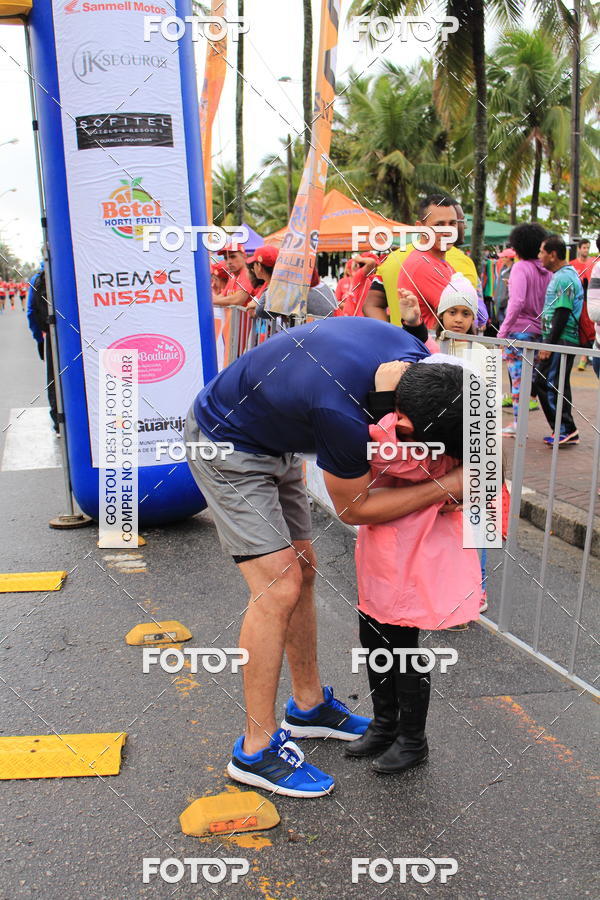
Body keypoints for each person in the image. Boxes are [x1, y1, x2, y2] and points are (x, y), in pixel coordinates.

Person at [184, 317, 466, 797]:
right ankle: (256, 749)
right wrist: (446, 486)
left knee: (304, 571)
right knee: (278, 586)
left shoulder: (416, 363)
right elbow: (355, 508)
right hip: (227, 441)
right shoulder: (341, 414)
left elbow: (397, 426)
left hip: (278, 437)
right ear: (402, 422)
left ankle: (308, 706)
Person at [347, 408, 481, 772]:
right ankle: (385, 724)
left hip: (415, 550)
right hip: (380, 545)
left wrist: (384, 420)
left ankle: (412, 739)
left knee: (402, 643)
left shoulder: (436, 435)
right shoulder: (403, 424)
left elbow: (394, 458)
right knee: (372, 635)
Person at [363, 196, 488, 328]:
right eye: (438, 225)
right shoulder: (423, 264)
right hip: (430, 346)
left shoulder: (439, 262)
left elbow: (371, 305)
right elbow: (471, 319)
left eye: (452, 223)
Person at [497, 224, 551, 437]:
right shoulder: (546, 270)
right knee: (529, 382)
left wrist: (502, 332)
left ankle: (519, 426)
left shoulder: (520, 268)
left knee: (518, 380)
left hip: (518, 332)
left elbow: (517, 302)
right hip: (538, 332)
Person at [535, 235, 584, 446]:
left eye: (542, 252)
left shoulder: (563, 277)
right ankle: (565, 428)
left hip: (561, 340)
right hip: (561, 340)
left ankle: (565, 428)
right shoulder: (565, 275)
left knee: (550, 382)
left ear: (553, 255)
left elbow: (562, 312)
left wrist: (549, 345)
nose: (539, 257)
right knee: (552, 381)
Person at [26, 263, 59, 434]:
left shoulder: (38, 278)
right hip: (75, 336)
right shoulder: (65, 268)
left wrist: (39, 339)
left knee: (54, 378)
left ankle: (58, 422)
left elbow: (31, 311)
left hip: (52, 335)